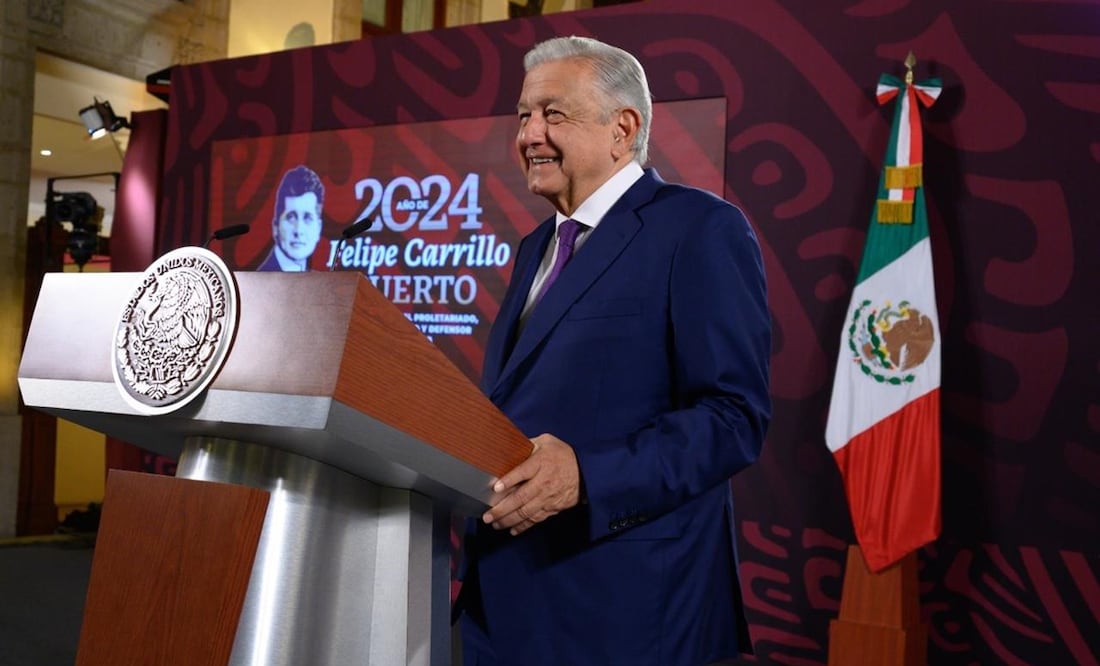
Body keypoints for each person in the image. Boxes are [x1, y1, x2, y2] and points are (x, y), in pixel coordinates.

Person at [455, 36, 772, 665]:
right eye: (523, 116)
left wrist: (588, 475)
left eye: (554, 114)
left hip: (626, 613)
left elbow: (733, 417)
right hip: (504, 604)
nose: (530, 134)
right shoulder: (533, 248)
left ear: (622, 129)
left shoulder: (698, 229)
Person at [257, 165, 325, 271]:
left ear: (318, 228)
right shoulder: (259, 281)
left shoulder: (322, 282)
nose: (298, 230)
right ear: (276, 227)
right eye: (291, 217)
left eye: (307, 218)